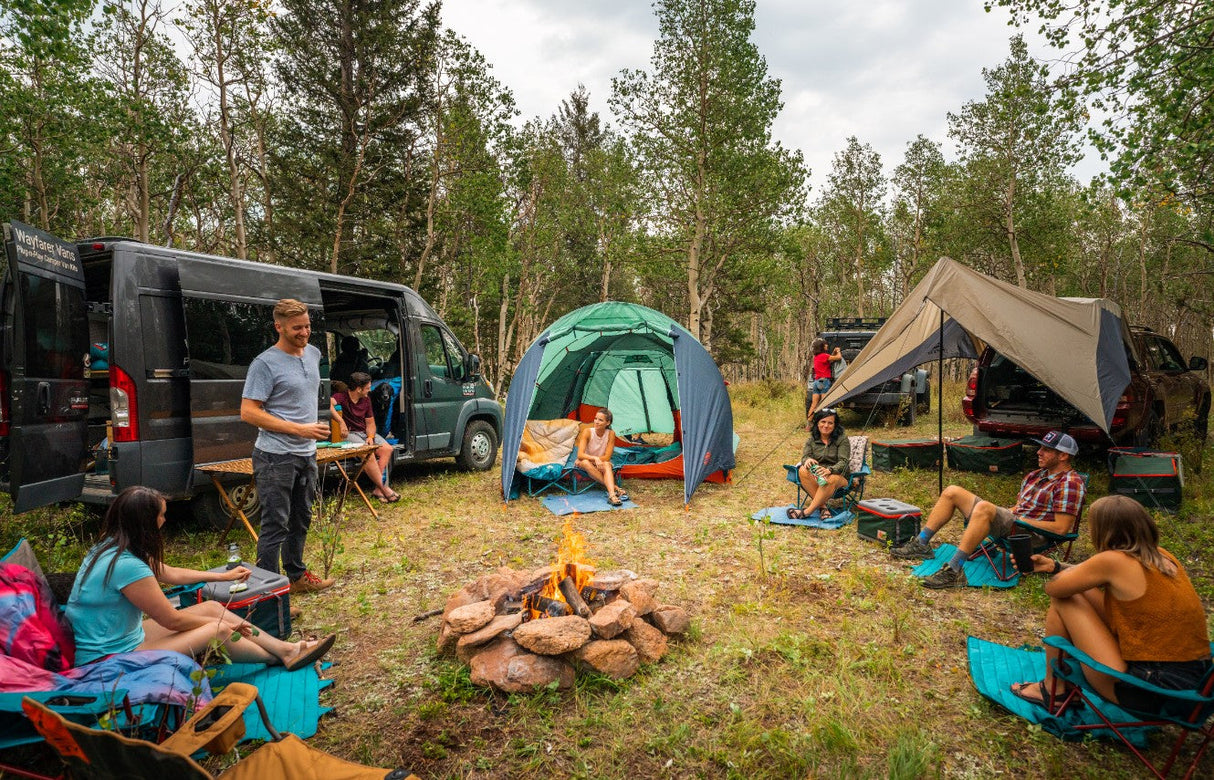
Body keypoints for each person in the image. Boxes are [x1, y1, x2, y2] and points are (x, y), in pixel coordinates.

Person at [66, 486, 336, 669]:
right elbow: (173, 619)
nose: (164, 520)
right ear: (145, 522)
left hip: (119, 639)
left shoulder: (111, 546)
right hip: (108, 658)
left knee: (211, 607)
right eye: (162, 515)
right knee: (216, 629)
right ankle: (280, 657)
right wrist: (221, 623)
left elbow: (169, 573)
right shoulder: (126, 566)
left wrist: (224, 576)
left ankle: (285, 650)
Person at [1010, 495, 1211, 714]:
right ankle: (1056, 687)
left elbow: (1055, 589)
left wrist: (1057, 572)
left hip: (1149, 691)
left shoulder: (1112, 561)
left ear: (1103, 531)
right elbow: (1093, 575)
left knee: (1064, 600)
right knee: (1083, 589)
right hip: (1193, 689)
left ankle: (1053, 689)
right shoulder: (1164, 557)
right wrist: (1056, 566)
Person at [891, 430, 1086, 589]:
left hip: (1031, 535)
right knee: (952, 492)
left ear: (1063, 455)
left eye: (1046, 449)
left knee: (984, 508)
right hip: (1016, 522)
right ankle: (921, 544)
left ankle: (955, 570)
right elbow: (1019, 507)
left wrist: (1016, 519)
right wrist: (1001, 514)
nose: (1038, 452)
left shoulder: (1069, 483)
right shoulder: (1036, 475)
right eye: (1041, 447)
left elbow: (1061, 528)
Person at [240, 298, 335, 595]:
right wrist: (300, 429)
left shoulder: (314, 354)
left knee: (301, 518)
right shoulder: (264, 363)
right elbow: (248, 412)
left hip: (306, 454)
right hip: (275, 456)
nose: (304, 332)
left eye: (307, 326)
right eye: (297, 328)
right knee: (275, 525)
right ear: (278, 327)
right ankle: (270, 592)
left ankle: (296, 577)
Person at [332, 372, 399, 503]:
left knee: (387, 449)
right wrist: (341, 422)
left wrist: (370, 436)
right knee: (368, 453)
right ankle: (384, 489)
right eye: (368, 388)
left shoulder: (366, 400)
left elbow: (371, 423)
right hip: (349, 434)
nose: (370, 390)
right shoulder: (341, 397)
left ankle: (378, 489)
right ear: (358, 388)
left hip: (364, 432)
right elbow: (328, 404)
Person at [788, 407, 851, 520]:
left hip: (839, 476)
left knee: (830, 479)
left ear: (835, 425)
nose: (826, 426)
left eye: (830, 423)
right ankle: (823, 508)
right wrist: (807, 460)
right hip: (818, 476)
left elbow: (844, 462)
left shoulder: (842, 439)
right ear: (817, 423)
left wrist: (830, 470)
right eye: (823, 422)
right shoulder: (812, 440)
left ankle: (807, 512)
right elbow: (805, 456)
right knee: (802, 469)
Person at [575, 408, 627, 506]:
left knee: (607, 464)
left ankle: (612, 495)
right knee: (586, 462)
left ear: (608, 423)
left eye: (600, 420)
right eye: (596, 419)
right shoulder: (588, 432)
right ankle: (615, 488)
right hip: (586, 461)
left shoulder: (611, 434)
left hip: (601, 462)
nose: (596, 422)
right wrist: (595, 458)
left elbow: (607, 457)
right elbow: (580, 455)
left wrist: (599, 460)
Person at [806, 338, 843, 424]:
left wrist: (833, 352)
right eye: (825, 344)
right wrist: (838, 351)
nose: (827, 345)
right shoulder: (824, 356)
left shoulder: (817, 357)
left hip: (816, 382)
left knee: (814, 404)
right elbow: (838, 358)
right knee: (825, 404)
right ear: (822, 347)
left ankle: (808, 424)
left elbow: (830, 359)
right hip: (824, 382)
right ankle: (824, 422)